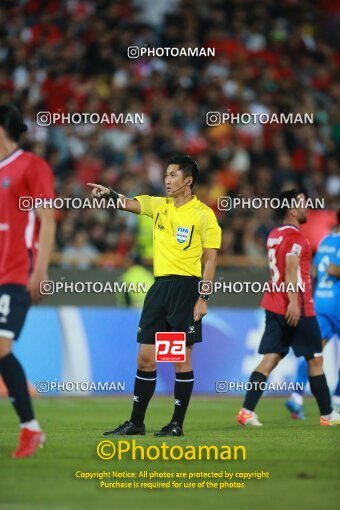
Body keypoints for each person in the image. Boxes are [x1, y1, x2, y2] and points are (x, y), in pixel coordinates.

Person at [88, 154, 221, 436]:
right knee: (145, 358)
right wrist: (109, 194)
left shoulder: (203, 214)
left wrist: (203, 298)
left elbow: (210, 261)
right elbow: (128, 203)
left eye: (173, 175)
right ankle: (136, 423)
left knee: (179, 360)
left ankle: (176, 424)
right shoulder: (158, 205)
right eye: (166, 174)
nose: (167, 180)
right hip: (159, 289)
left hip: (186, 290)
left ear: (188, 181)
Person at [237, 189, 340, 427]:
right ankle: (327, 414)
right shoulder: (297, 238)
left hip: (273, 305)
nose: (307, 208)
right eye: (303, 203)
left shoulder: (273, 234)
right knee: (314, 359)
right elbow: (291, 269)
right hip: (297, 308)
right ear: (292, 210)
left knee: (270, 359)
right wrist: (294, 301)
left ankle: (246, 411)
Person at [0, 103, 55, 458]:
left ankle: (30, 430)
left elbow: (47, 220)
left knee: (1, 348)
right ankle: (30, 429)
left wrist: (41, 269)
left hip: (17, 272)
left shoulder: (31, 166)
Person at [285, 211, 340, 419]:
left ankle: (296, 397)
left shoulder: (326, 240)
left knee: (313, 352)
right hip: (337, 303)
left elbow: (315, 271)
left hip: (322, 302)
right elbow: (335, 269)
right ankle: (337, 400)